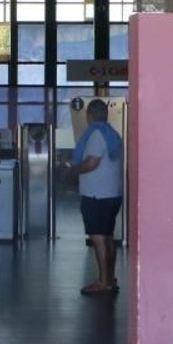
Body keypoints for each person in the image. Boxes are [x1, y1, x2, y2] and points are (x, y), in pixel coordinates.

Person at [72, 98, 124, 295]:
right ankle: (109, 278)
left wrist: (73, 170)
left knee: (98, 238)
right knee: (108, 237)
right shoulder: (113, 134)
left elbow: (92, 163)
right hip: (112, 194)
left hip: (97, 196)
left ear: (90, 115)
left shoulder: (96, 135)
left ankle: (103, 281)